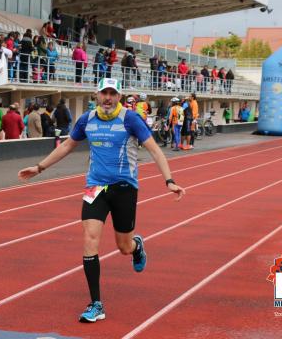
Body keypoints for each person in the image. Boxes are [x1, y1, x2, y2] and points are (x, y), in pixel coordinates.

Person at [18, 78, 185, 323]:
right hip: (95, 187)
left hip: (125, 187)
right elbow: (67, 145)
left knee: (123, 247)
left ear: (119, 96)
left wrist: (169, 181)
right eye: (104, 93)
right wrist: (39, 167)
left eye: (112, 93)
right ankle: (96, 303)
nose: (108, 98)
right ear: (97, 95)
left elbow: (155, 150)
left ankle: (137, 247)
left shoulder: (130, 119)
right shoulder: (87, 120)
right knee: (89, 239)